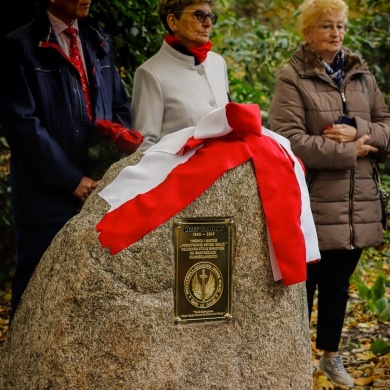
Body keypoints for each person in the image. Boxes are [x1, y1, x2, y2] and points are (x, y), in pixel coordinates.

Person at [269, 0, 390, 387]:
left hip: (359, 203)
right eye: (326, 26)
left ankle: (330, 356)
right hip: (313, 201)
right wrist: (346, 152)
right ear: (307, 33)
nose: (336, 34)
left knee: (339, 284)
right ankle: (292, 364)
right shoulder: (292, 76)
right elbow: (286, 139)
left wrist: (358, 132)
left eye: (340, 26)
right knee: (303, 287)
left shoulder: (361, 75)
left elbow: (386, 124)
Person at [0, 0, 133, 320]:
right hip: (44, 198)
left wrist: (112, 167)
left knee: (91, 297)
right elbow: (23, 126)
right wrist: (71, 180)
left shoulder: (98, 41)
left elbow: (119, 108)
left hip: (99, 193)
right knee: (36, 290)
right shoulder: (19, 46)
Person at [131, 0, 230, 150]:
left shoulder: (218, 63)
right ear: (172, 21)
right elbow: (144, 146)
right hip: (181, 171)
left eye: (210, 16)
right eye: (199, 15)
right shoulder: (150, 73)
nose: (208, 23)